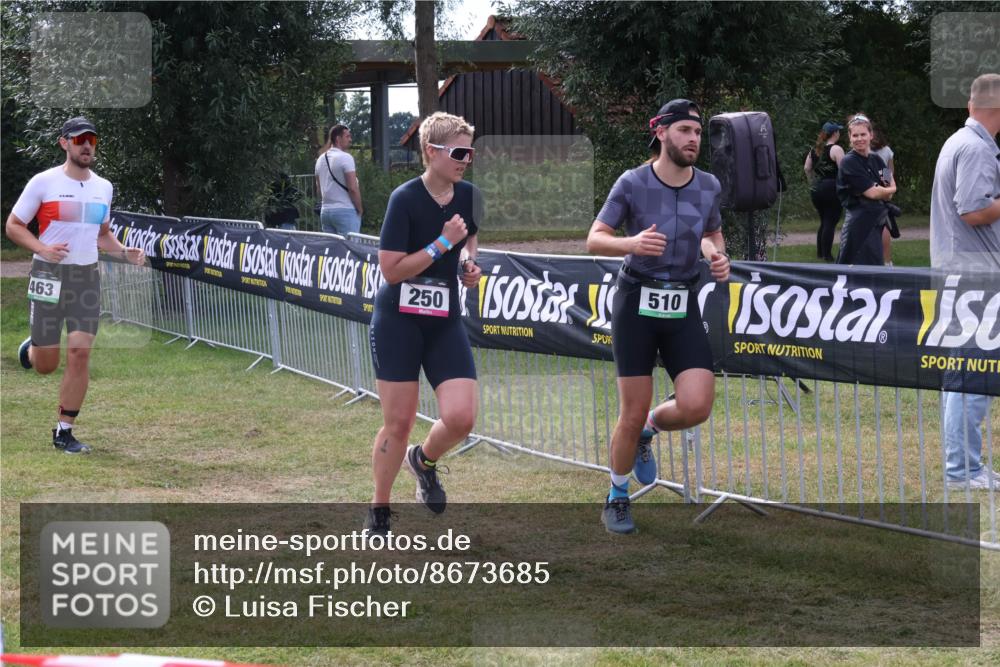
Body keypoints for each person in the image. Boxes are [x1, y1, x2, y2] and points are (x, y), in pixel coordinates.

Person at [586, 99, 730, 534]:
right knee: (630, 411)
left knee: (697, 405)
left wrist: (716, 255)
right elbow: (595, 239)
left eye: (698, 132)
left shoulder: (707, 185)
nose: (693, 139)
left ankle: (650, 430)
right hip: (635, 303)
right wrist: (630, 244)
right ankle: (616, 496)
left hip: (682, 301)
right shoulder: (632, 183)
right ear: (662, 132)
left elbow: (711, 232)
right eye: (685, 130)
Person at [365, 112, 483, 534]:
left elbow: (468, 237)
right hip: (398, 320)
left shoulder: (467, 195)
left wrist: (469, 262)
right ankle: (379, 509)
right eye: (458, 151)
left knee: (462, 417)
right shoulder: (405, 198)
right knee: (398, 422)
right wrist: (442, 245)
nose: (466, 159)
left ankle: (424, 460)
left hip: (443, 319)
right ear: (431, 151)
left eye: (470, 151)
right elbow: (392, 271)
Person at [6, 116, 145, 454]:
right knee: (46, 366)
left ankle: (64, 431)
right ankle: (34, 348)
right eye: (80, 139)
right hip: (48, 274)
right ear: (64, 143)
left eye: (92, 140)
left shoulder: (104, 187)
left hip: (85, 276)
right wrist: (42, 249)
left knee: (80, 353)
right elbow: (13, 225)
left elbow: (102, 235)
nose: (86, 145)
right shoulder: (43, 182)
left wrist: (124, 251)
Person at [930, 73, 1000, 491]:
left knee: (965, 374)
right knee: (971, 374)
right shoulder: (975, 148)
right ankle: (963, 471)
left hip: (966, 274)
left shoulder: (963, 142)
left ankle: (967, 465)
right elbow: (972, 210)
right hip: (974, 279)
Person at [835, 113, 896, 266]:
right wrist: (884, 189)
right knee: (851, 271)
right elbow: (872, 192)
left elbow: (890, 187)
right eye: (855, 135)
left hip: (875, 222)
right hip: (857, 224)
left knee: (874, 268)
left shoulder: (877, 159)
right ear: (849, 137)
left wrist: (883, 189)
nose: (859, 138)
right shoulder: (849, 162)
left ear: (871, 135)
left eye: (863, 134)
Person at [804, 121, 845, 261]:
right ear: (835, 133)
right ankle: (827, 255)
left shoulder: (815, 149)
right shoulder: (836, 149)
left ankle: (820, 253)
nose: (839, 133)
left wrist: (812, 183)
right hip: (832, 188)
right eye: (838, 131)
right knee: (830, 221)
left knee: (824, 220)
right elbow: (844, 170)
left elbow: (807, 168)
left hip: (817, 188)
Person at [314, 124, 363, 235]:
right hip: (345, 211)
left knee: (331, 250)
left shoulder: (320, 159)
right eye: (347, 136)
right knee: (350, 249)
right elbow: (352, 188)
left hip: (325, 212)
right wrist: (360, 209)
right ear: (337, 139)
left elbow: (318, 189)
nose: (350, 140)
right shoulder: (346, 158)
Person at [870, 126, 898, 266]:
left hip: (867, 187)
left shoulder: (862, 151)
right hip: (882, 186)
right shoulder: (886, 151)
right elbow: (889, 171)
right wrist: (888, 188)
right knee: (884, 224)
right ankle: (887, 261)